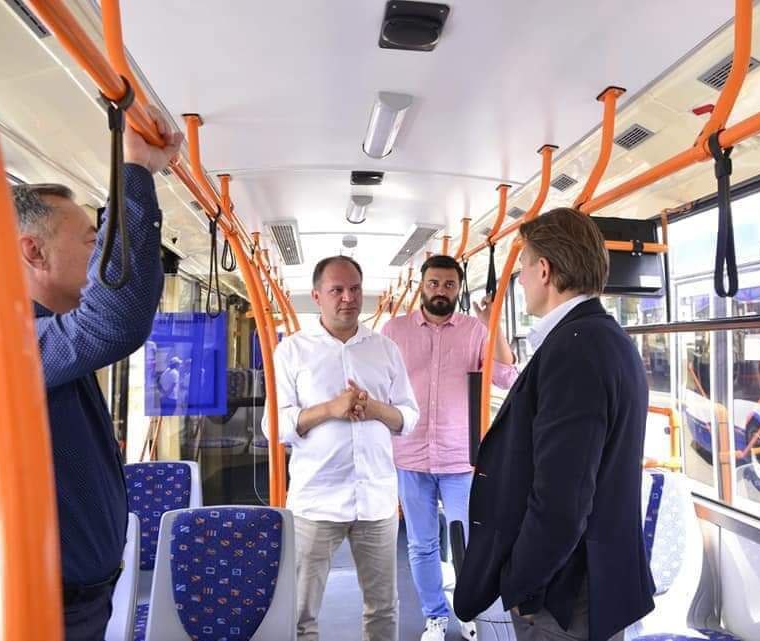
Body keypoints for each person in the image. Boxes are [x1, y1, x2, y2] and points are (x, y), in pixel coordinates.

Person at [0, 105, 182, 640]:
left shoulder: (48, 336)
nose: (99, 254)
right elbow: (115, 321)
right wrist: (134, 170)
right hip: (10, 615)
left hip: (71, 604)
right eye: (92, 240)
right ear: (33, 252)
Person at [452, 208, 655, 641]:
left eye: (523, 268)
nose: (521, 280)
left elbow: (562, 501)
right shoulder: (606, 338)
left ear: (544, 270)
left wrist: (521, 583)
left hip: (566, 594)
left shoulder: (574, 351)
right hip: (594, 576)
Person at [267, 255, 419, 641]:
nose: (348, 298)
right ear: (317, 296)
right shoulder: (292, 352)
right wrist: (329, 409)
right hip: (316, 501)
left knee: (383, 609)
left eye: (354, 289)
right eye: (337, 290)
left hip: (376, 499)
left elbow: (409, 417)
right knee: (300, 613)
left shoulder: (385, 350)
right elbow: (274, 427)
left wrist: (374, 409)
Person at [381, 254, 517, 641]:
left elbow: (506, 376)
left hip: (459, 457)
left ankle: (468, 609)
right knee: (422, 544)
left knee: (468, 543)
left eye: (449, 285)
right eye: (434, 283)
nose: (440, 291)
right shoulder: (394, 330)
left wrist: (493, 325)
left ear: (458, 289)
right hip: (410, 454)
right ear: (422, 286)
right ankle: (435, 617)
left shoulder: (475, 330)